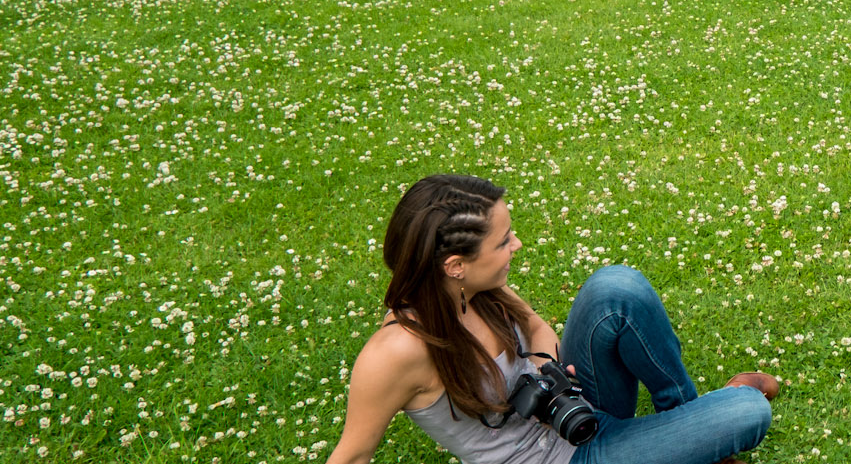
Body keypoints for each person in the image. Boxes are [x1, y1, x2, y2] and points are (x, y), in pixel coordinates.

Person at [322, 174, 777, 464]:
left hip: (574, 415)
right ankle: (702, 427)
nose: (515, 246)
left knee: (617, 287)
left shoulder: (477, 290)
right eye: (502, 242)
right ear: (454, 264)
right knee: (748, 410)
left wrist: (547, 371)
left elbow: (538, 330)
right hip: (555, 462)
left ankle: (683, 419)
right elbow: (353, 454)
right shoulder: (397, 352)